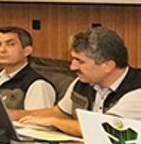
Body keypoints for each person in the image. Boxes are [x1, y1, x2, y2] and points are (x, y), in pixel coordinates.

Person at [12, 26, 141, 136]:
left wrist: (54, 122)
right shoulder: (83, 81)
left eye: (80, 61)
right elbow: (60, 113)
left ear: (108, 66)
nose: (72, 67)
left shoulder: (136, 91)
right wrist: (14, 115)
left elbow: (103, 129)